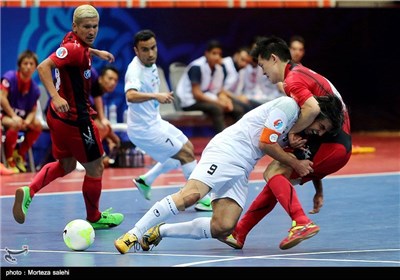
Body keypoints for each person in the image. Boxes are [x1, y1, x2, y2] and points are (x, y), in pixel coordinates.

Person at [114, 93, 345, 254]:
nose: (318, 131)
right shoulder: (288, 107)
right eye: (321, 126)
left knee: (223, 227)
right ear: (317, 112)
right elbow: (266, 144)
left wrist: (318, 188)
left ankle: (159, 231)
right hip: (228, 150)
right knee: (191, 195)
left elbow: (307, 165)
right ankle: (134, 233)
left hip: (243, 166)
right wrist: (294, 161)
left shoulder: (303, 134)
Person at [221, 35, 352, 250]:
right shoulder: (301, 73)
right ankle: (240, 232)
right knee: (277, 181)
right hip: (335, 146)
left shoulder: (293, 80)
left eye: (263, 65)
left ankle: (301, 222)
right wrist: (318, 183)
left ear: (273, 58)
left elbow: (313, 109)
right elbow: (321, 121)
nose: (263, 72)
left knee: (273, 172)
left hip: (332, 144)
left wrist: (292, 131)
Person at [12, 4, 124, 230]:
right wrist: (54, 96)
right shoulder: (74, 50)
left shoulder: (72, 41)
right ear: (75, 26)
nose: (91, 31)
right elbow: (43, 67)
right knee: (96, 168)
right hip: (76, 119)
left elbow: (77, 49)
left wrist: (96, 52)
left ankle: (29, 191)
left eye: (95, 27)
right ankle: (94, 216)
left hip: (58, 118)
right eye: (86, 27)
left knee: (66, 164)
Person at [124, 29, 212, 211]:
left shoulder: (152, 65)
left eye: (153, 48)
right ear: (136, 51)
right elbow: (131, 96)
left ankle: (145, 180)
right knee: (185, 155)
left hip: (155, 122)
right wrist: (156, 96)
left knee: (186, 147)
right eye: (145, 50)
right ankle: (200, 198)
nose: (150, 53)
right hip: (144, 130)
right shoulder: (135, 70)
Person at [176, 40, 245, 134]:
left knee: (237, 109)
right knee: (216, 109)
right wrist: (218, 102)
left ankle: (240, 137)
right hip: (190, 102)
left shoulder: (218, 68)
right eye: (214, 53)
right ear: (206, 54)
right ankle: (222, 141)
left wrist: (226, 101)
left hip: (207, 99)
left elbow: (218, 90)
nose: (217, 57)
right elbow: (197, 94)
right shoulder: (196, 67)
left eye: (219, 54)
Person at [0, 50, 43, 174]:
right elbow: (2, 97)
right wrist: (13, 116)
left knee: (37, 125)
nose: (28, 66)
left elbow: (33, 109)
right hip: (5, 115)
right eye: (25, 63)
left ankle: (19, 154)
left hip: (21, 118)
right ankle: (9, 159)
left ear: (35, 67)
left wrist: (27, 121)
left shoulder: (35, 88)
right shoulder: (10, 77)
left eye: (31, 64)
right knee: (15, 124)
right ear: (20, 65)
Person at [90, 65, 121, 167]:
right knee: (102, 127)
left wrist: (110, 138)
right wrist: (113, 137)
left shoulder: (102, 99)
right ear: (100, 78)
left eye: (115, 80)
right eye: (110, 78)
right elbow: (98, 125)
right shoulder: (91, 96)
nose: (113, 83)